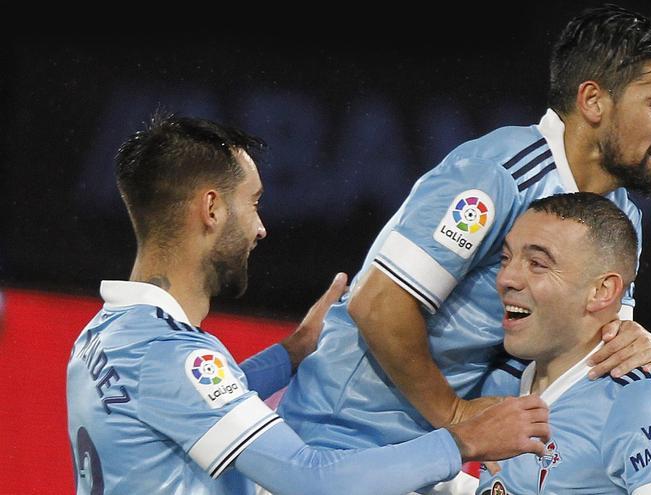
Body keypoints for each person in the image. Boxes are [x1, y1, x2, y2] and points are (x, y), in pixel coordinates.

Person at [279, 4, 651, 491]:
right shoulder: (495, 175)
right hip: (340, 447)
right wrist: (456, 416)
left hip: (432, 463)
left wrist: (631, 340)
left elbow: (591, 350)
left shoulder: (621, 221)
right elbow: (378, 304)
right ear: (594, 102)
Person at [65, 114, 553, 495]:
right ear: (212, 209)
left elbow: (186, 402)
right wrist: (465, 438)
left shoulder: (105, 334)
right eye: (252, 203)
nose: (260, 228)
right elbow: (312, 480)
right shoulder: (172, 356)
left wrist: (291, 354)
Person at [477, 192, 651, 495]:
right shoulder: (501, 383)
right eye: (506, 258)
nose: (507, 278)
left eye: (537, 263)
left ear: (601, 291)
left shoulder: (639, 400)